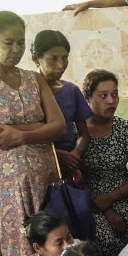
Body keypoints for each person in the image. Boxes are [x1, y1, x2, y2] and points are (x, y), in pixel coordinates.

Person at [0, 10, 62, 256]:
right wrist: (41, 126)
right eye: (8, 42)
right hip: (6, 183)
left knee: (53, 244)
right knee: (19, 249)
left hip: (44, 179)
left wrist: (20, 133)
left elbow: (59, 125)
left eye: (21, 41)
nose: (16, 49)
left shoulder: (35, 78)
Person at [80, 69, 128, 256]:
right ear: (87, 98)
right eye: (103, 96)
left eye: (115, 94)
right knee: (105, 239)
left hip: (125, 196)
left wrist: (109, 200)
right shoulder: (77, 133)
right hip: (91, 203)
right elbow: (75, 179)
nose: (111, 101)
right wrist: (105, 208)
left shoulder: (127, 128)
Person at [30, 30, 89, 177]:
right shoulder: (26, 92)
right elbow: (22, 137)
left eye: (65, 58)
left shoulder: (71, 90)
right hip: (36, 166)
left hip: (69, 169)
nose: (60, 65)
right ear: (36, 58)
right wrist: (56, 155)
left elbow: (85, 134)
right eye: (53, 59)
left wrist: (75, 154)